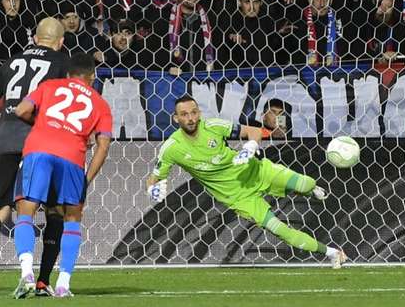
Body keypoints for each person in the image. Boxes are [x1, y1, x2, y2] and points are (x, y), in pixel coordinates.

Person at [146, 95, 346, 268]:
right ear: (176, 118)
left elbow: (255, 131)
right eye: (184, 114)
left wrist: (250, 146)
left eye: (194, 112)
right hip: (238, 197)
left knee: (305, 184)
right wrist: (152, 191)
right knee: (281, 231)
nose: (190, 118)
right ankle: (332, 253)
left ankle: (311, 190)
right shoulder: (171, 147)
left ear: (199, 113)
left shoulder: (213, 126)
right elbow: (154, 179)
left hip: (256, 171)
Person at [13, 53, 113, 298]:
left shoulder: (49, 86)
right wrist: (86, 180)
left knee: (26, 211)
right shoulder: (101, 104)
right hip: (72, 157)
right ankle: (63, 284)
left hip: (39, 149)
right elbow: (103, 146)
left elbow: (21, 110)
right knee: (71, 218)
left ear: (68, 75)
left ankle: (26, 273)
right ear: (92, 76)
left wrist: (43, 123)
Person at [0, 19, 68, 297]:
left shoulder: (12, 62)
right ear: (60, 40)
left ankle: (27, 274)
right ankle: (43, 282)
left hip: (7, 141)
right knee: (55, 210)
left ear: (34, 37)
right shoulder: (61, 63)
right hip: (42, 144)